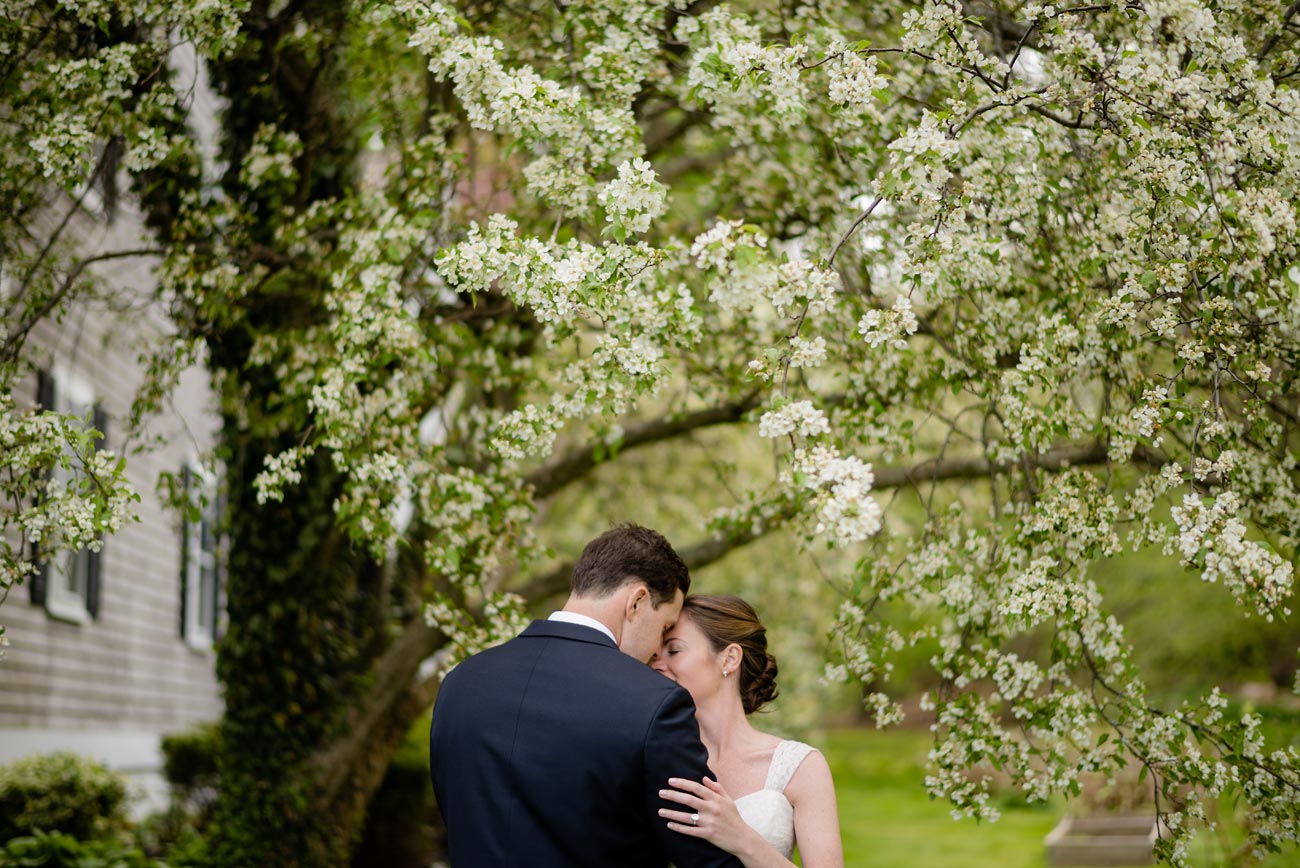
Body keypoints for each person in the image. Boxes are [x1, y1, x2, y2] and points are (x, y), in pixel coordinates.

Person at [428, 524, 744, 868]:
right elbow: (706, 858)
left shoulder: (460, 682)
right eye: (665, 627)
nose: (656, 650)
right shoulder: (655, 703)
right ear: (636, 601)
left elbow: (456, 812)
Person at [652, 595, 845, 868]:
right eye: (654, 654)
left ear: (729, 659)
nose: (656, 664)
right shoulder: (657, 757)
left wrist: (740, 837)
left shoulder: (800, 767)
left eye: (674, 651)